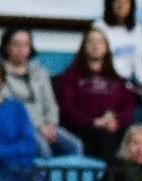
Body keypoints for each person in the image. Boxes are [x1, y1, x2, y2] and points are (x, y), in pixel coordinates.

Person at [0, 27, 82, 157]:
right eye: (16, 44)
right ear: (6, 47)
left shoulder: (40, 72)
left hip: (48, 126)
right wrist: (39, 127)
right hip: (22, 127)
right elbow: (12, 108)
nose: (21, 48)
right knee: (43, 149)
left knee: (76, 146)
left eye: (25, 44)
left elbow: (51, 103)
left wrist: (51, 124)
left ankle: (67, 178)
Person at [54, 27, 136, 162]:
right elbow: (67, 109)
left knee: (133, 137)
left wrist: (115, 120)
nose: (95, 45)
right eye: (90, 41)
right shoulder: (70, 77)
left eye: (100, 41)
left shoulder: (117, 79)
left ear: (106, 48)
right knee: (105, 137)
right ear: (84, 47)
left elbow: (128, 106)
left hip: (112, 126)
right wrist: (94, 122)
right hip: (82, 128)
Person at [92, 0, 142, 89]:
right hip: (106, 83)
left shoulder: (137, 27)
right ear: (110, 4)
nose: (121, 5)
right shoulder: (99, 27)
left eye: (126, 1)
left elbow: (139, 59)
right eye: (117, 1)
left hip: (131, 85)